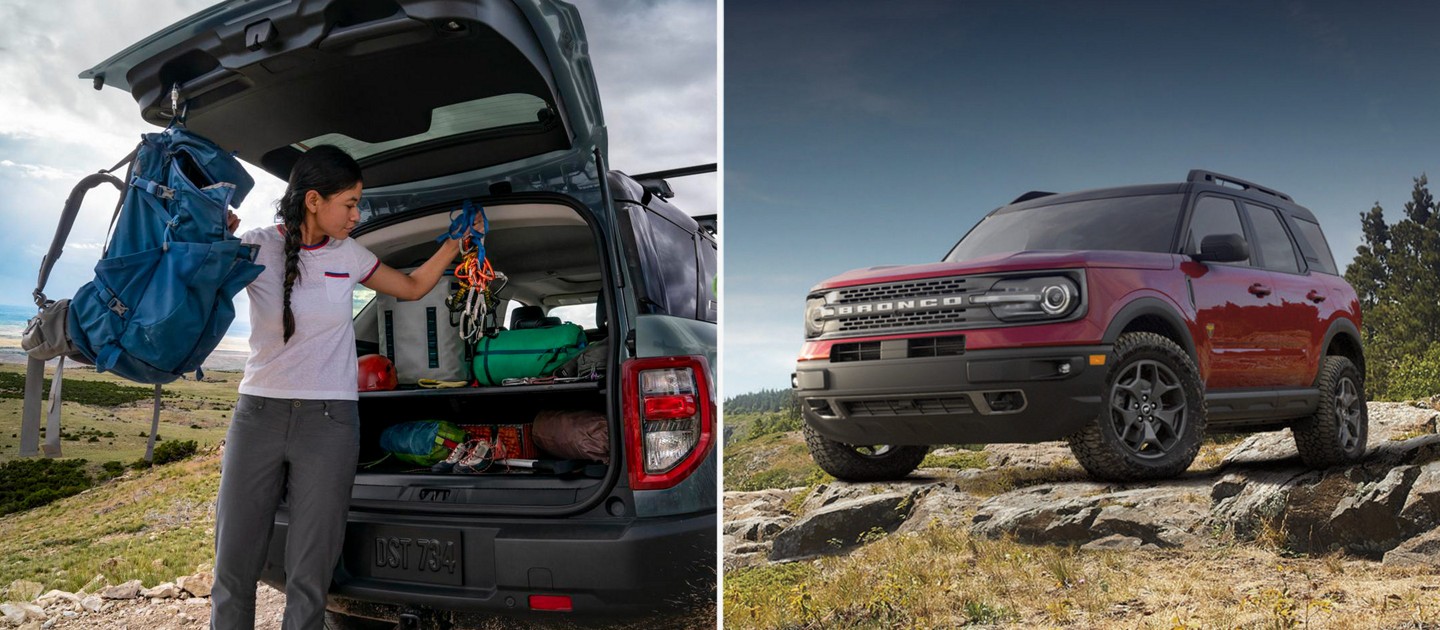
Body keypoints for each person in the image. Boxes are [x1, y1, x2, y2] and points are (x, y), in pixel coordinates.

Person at [210, 145, 462, 629]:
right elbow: (196, 284)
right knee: (233, 567)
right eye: (348, 203)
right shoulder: (257, 246)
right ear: (312, 200)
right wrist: (213, 237)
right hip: (258, 416)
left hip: (329, 423)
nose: (355, 214)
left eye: (357, 203)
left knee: (310, 574)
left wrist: (452, 246)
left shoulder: (349, 254)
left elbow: (410, 288)